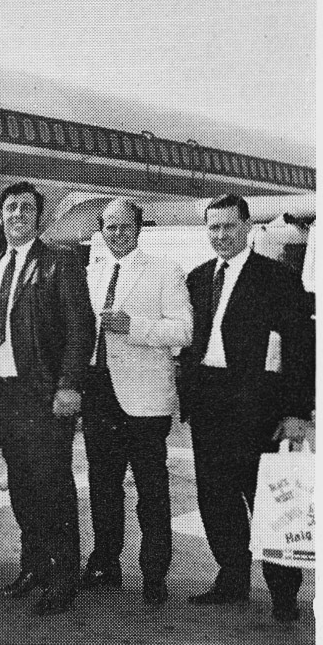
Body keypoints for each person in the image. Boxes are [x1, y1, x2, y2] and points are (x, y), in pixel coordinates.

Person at [179, 194, 311, 622]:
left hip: (258, 405)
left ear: (248, 226)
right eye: (213, 228)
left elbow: (300, 351)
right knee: (215, 496)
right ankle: (232, 577)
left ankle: (284, 594)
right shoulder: (198, 278)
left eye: (229, 227)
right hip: (209, 400)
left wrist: (296, 412)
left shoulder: (277, 278)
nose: (220, 235)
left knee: (268, 499)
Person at [0, 181, 94, 616]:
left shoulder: (59, 262)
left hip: (43, 395)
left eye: (27, 208)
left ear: (39, 218)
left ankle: (64, 580)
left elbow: (81, 329)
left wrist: (69, 385)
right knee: (21, 488)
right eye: (11, 208)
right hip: (4, 396)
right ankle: (33, 567)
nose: (18, 214)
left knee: (53, 489)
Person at [79, 199, 192, 607]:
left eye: (125, 226)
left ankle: (154, 572)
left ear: (140, 227)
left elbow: (184, 330)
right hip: (99, 393)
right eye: (110, 227)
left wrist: (134, 326)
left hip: (144, 398)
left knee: (151, 491)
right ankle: (106, 561)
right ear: (101, 229)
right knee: (103, 487)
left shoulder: (165, 270)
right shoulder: (89, 273)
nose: (117, 234)